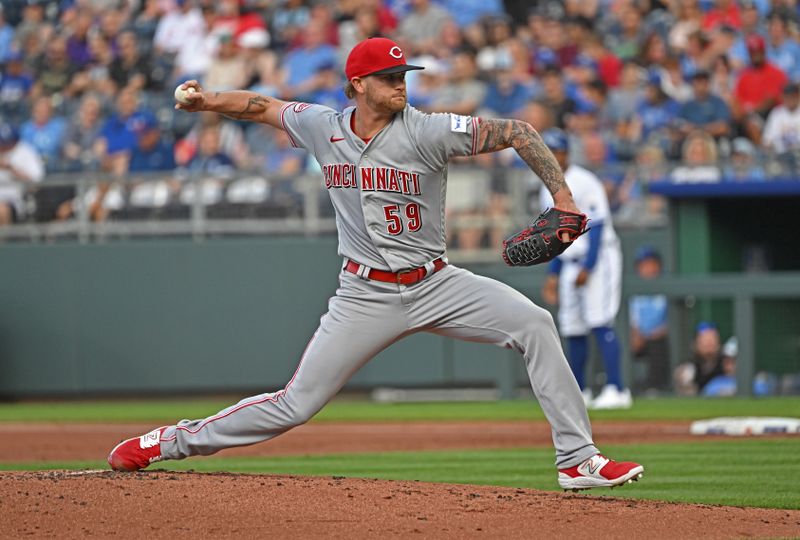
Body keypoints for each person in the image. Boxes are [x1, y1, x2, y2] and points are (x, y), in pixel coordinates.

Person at [108, 37, 644, 490]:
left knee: (535, 323)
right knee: (295, 404)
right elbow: (260, 106)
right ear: (358, 85)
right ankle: (168, 441)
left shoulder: (427, 130)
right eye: (388, 77)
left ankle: (577, 459)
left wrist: (565, 200)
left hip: (438, 282)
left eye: (403, 75)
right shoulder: (323, 127)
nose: (400, 84)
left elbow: (519, 133)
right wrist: (208, 102)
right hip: (364, 294)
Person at [538, 128, 631, 410]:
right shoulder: (546, 187)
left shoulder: (585, 181)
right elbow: (555, 236)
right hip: (568, 261)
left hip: (598, 258)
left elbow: (599, 226)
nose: (555, 156)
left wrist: (589, 267)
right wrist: (553, 274)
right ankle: (580, 391)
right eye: (550, 151)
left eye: (559, 150)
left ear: (567, 152)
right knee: (573, 327)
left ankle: (617, 388)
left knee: (600, 321)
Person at [628, 246, 669, 394]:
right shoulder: (634, 292)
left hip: (658, 339)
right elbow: (632, 320)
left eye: (652, 264)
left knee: (656, 345)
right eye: (644, 265)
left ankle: (655, 388)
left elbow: (672, 323)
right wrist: (636, 335)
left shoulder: (666, 288)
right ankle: (624, 386)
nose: (649, 269)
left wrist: (650, 335)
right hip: (638, 340)